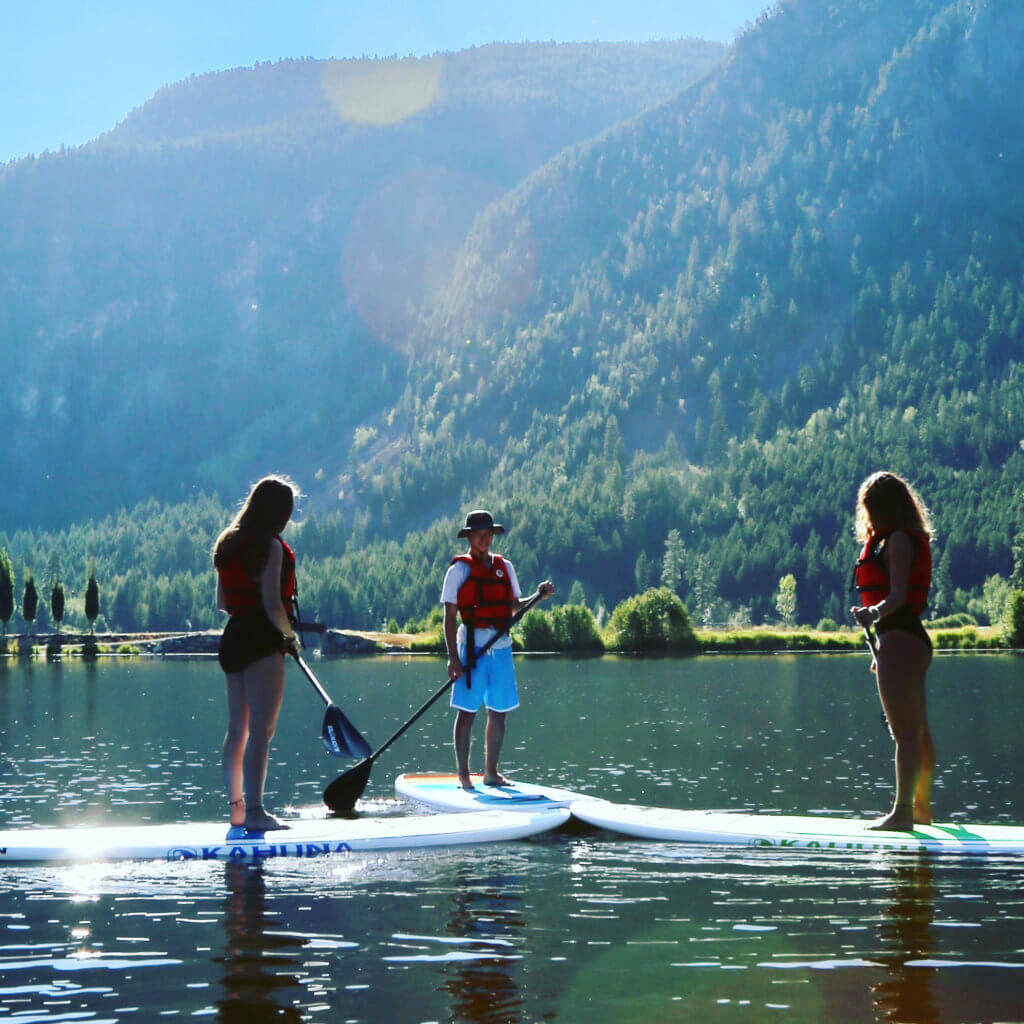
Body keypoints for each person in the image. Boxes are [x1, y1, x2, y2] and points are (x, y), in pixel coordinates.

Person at [213, 475, 301, 835]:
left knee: (238, 730)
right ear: (277, 512)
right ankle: (256, 811)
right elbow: (271, 604)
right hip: (263, 639)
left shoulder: (227, 543)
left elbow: (221, 603)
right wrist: (291, 636)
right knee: (262, 730)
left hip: (233, 638)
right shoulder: (272, 547)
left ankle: (237, 809)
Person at [442, 509, 554, 790]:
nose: (484, 539)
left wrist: (538, 596)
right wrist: (453, 659)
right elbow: (449, 617)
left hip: (501, 647)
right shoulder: (458, 571)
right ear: (468, 537)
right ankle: (464, 773)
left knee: (498, 711)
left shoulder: (506, 567)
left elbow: (515, 606)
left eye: (488, 534)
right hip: (471, 648)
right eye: (478, 534)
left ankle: (491, 772)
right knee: (467, 712)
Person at [850, 471, 935, 831]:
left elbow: (898, 595)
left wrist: (872, 613)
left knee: (904, 734)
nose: (868, 515)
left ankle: (902, 814)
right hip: (904, 640)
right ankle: (920, 809)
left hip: (899, 637)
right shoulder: (899, 537)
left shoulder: (898, 540)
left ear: (884, 507)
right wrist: (879, 650)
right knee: (917, 732)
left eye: (871, 507)